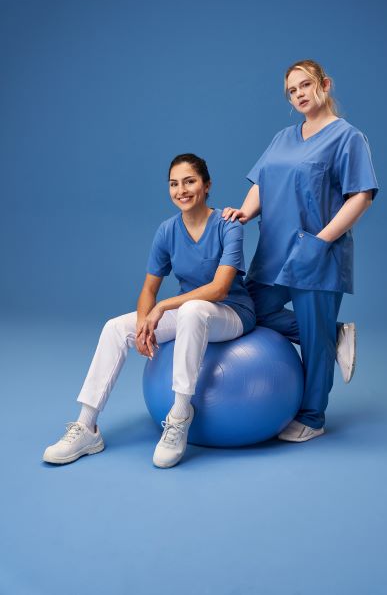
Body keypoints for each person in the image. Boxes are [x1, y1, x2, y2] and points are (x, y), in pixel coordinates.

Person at [43, 154, 256, 468]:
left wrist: (162, 307)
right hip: (189, 315)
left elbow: (219, 289)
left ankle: (180, 414)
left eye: (190, 181)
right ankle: (87, 426)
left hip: (231, 314)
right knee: (116, 327)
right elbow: (148, 289)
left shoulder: (228, 224)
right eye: (174, 184)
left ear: (207, 185)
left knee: (193, 309)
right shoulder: (167, 230)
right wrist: (144, 323)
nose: (181, 190)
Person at [222, 59, 379, 443]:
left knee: (313, 338)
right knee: (248, 312)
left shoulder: (347, 137)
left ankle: (312, 416)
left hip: (318, 251)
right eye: (292, 91)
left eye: (305, 85)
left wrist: (323, 240)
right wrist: (245, 211)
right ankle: (335, 335)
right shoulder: (282, 137)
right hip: (274, 249)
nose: (299, 95)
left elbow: (361, 195)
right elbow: (262, 180)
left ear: (324, 84)